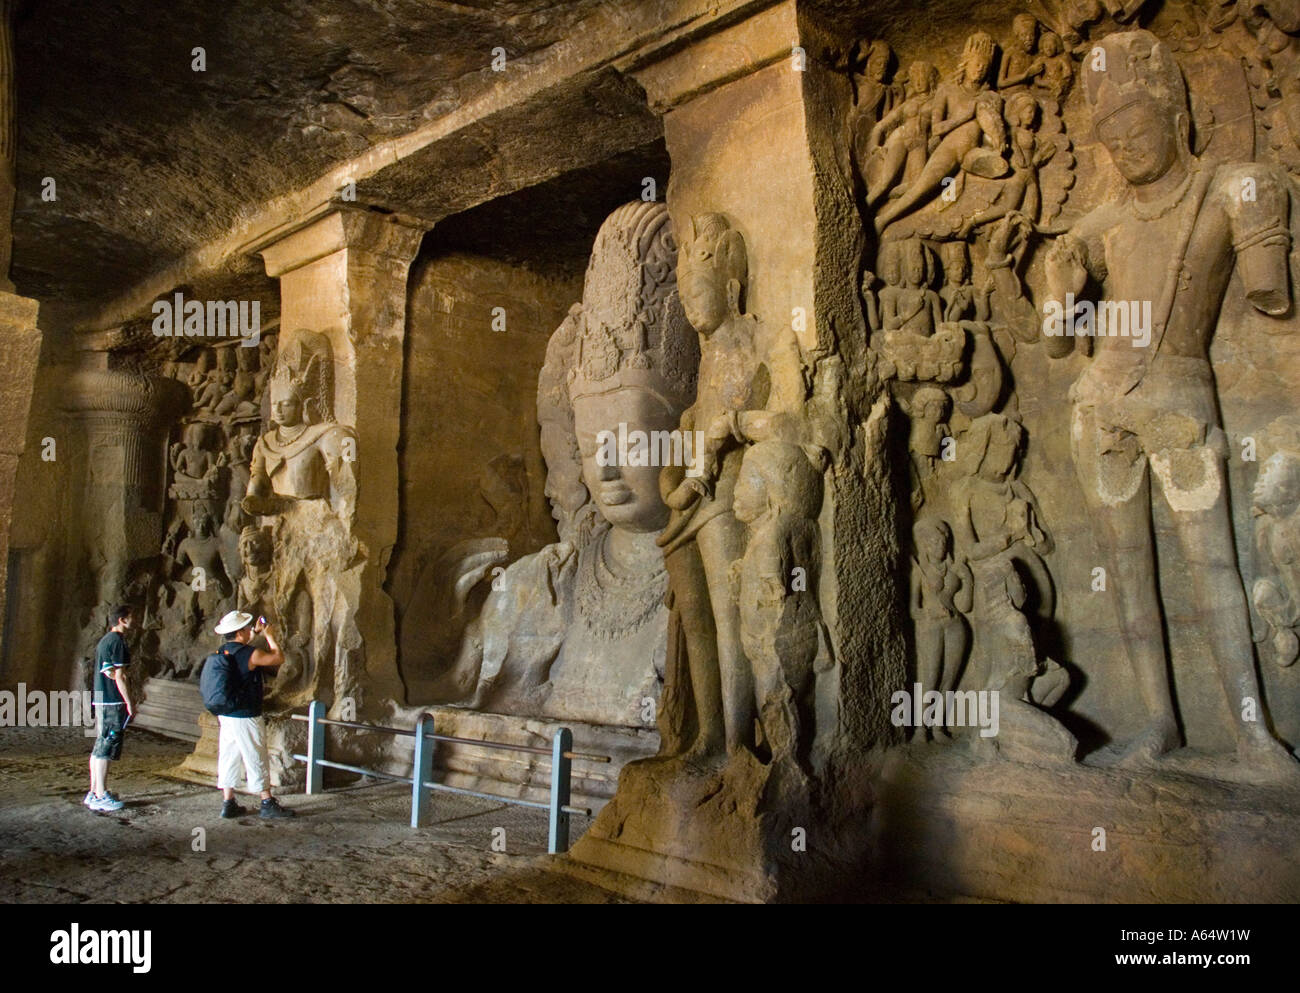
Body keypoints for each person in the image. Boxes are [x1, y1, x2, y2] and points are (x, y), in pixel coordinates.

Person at [210, 610, 296, 818]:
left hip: (227, 713)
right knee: (255, 754)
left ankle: (228, 802)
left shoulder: (224, 650)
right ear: (239, 632)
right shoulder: (250, 653)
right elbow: (278, 658)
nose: (251, 630)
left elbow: (243, 652)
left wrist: (254, 633)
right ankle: (266, 801)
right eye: (247, 628)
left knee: (229, 755)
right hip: (245, 714)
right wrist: (269, 636)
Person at [85, 605, 134, 812]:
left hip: (102, 699)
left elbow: (109, 673)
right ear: (122, 620)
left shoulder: (106, 640)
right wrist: (129, 702)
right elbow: (119, 676)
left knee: (100, 746)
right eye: (131, 617)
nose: (134, 620)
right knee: (105, 747)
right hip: (112, 701)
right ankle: (100, 794)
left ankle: (94, 791)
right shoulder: (117, 642)